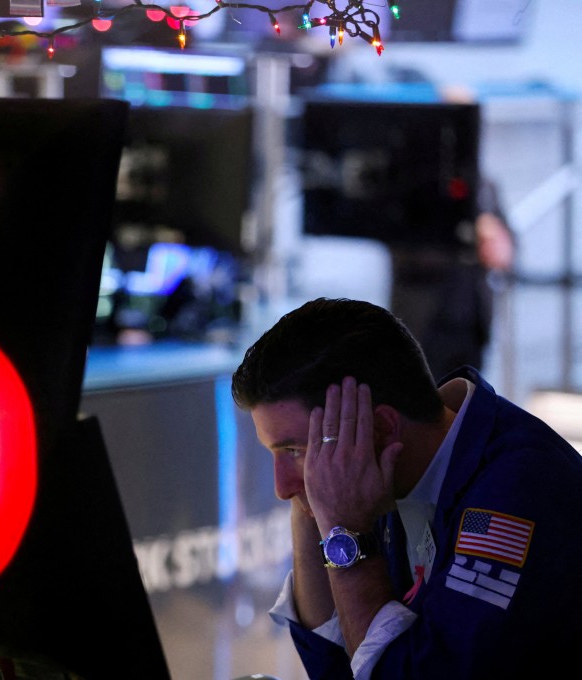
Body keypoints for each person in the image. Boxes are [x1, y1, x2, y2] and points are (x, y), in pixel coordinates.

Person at [230, 297, 582, 679]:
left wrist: (346, 531)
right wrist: (311, 506)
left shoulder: (515, 489)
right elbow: (334, 667)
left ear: (380, 429)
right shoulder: (400, 468)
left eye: (295, 450)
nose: (281, 487)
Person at [388, 178, 516, 380]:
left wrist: (499, 244)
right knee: (421, 399)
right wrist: (470, 236)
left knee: (468, 400)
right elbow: (405, 251)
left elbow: (509, 245)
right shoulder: (411, 183)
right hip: (425, 324)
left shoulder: (484, 185)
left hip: (473, 324)